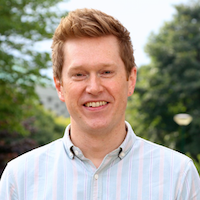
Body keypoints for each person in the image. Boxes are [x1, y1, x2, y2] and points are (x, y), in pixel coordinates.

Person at [0, 8, 200, 200]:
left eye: (106, 72)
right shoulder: (19, 179)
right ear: (59, 86)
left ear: (130, 80)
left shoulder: (178, 176)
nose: (94, 88)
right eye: (79, 74)